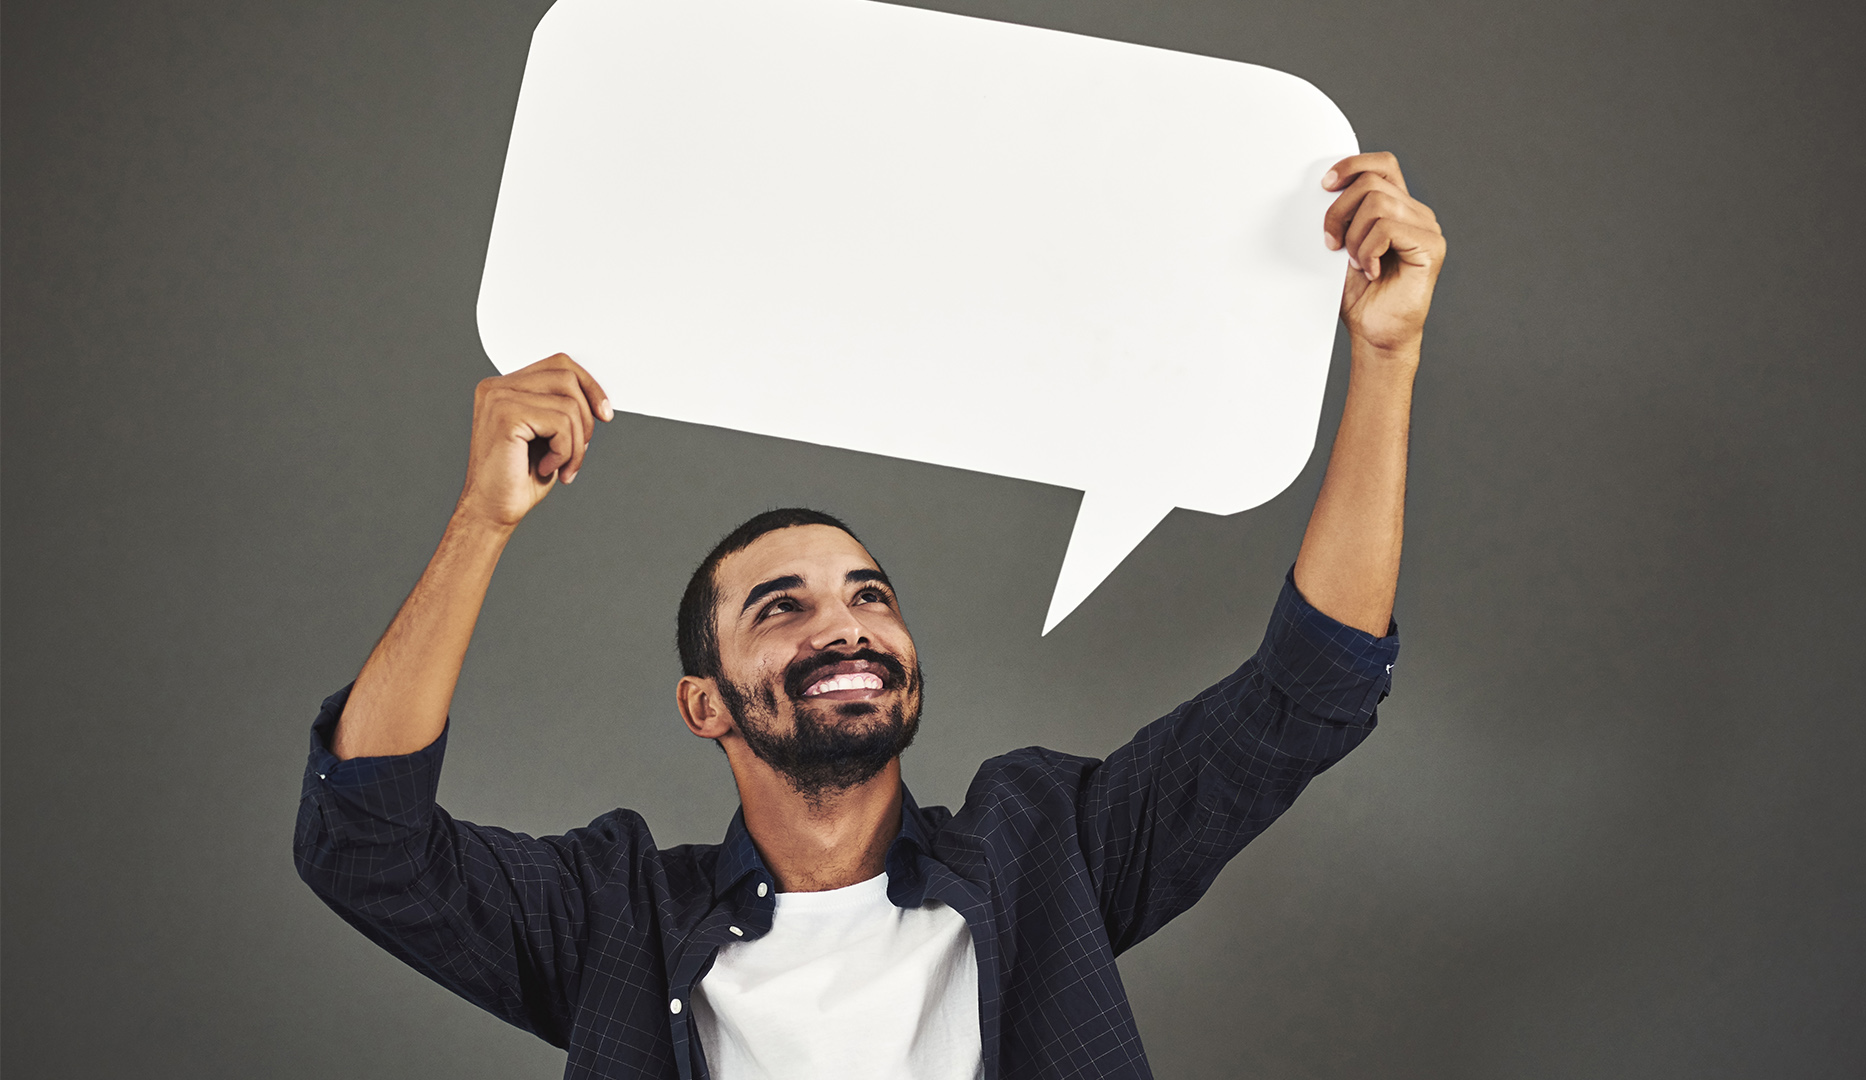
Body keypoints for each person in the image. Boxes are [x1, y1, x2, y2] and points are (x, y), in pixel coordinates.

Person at [294, 151, 1444, 1080]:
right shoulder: (618, 921)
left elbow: (1311, 693)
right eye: (781, 608)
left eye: (869, 598)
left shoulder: (1043, 854)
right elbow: (365, 846)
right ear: (705, 702)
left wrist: (1385, 357)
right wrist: (483, 522)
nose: (843, 628)